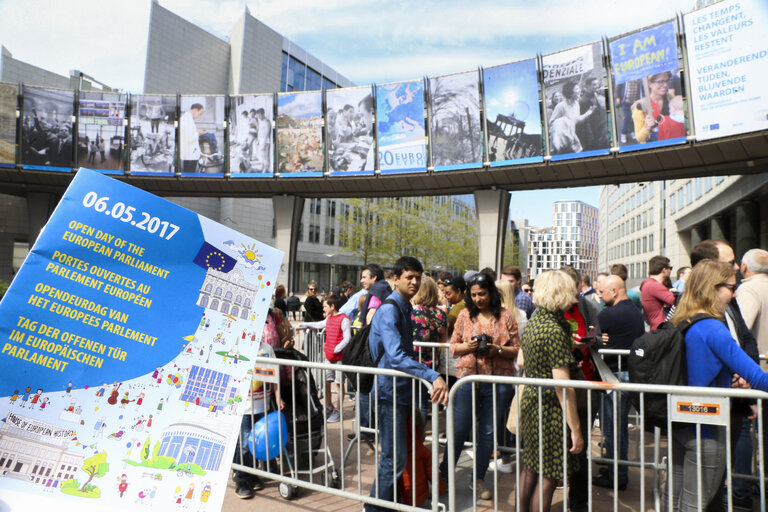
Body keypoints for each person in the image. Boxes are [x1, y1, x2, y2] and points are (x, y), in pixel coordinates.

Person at [665, 260, 768, 511]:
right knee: (696, 502)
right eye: (730, 288)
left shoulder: (681, 319)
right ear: (713, 287)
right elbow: (758, 377)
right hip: (707, 425)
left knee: (674, 498)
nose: (734, 294)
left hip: (680, 419)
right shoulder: (713, 327)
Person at [366, 256, 448, 511]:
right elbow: (396, 356)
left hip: (399, 391)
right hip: (388, 391)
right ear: (395, 279)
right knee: (393, 459)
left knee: (396, 457)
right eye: (409, 277)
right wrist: (431, 375)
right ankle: (374, 508)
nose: (414, 282)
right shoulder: (390, 309)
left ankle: (381, 505)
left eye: (418, 277)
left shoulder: (405, 307)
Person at [691, 239, 761, 510]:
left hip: (735, 397)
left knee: (717, 478)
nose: (736, 265)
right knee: (705, 484)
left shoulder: (729, 301)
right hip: (706, 408)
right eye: (729, 260)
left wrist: (747, 379)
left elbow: (746, 339)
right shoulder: (694, 314)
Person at [439, 273, 519, 500]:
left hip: (499, 382)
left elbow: (517, 349)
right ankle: (444, 474)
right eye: (473, 295)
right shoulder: (464, 315)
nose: (478, 299)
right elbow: (453, 346)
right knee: (458, 429)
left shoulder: (506, 316)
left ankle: (478, 477)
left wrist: (498, 350)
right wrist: (470, 346)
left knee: (488, 432)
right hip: (467, 380)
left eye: (481, 294)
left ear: (491, 292)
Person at [518, 270, 583, 512]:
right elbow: (563, 386)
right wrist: (576, 430)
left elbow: (522, 361)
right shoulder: (554, 330)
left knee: (531, 467)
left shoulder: (536, 322)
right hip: (551, 410)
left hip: (533, 401)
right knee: (549, 476)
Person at [594, 274, 645, 490]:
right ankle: (617, 468)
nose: (599, 296)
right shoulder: (635, 311)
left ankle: (617, 475)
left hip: (613, 377)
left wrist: (597, 337)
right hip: (626, 375)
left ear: (614, 291)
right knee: (619, 427)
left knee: (613, 429)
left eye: (602, 292)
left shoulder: (610, 314)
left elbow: (589, 335)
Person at [233, 335, 280, 499]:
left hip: (263, 405)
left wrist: (277, 396)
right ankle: (241, 478)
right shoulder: (238, 347)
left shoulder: (267, 349)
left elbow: (274, 376)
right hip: (244, 407)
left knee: (256, 441)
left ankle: (251, 474)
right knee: (244, 444)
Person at [297, 295, 350, 423]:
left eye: (325, 306)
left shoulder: (344, 319)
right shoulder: (329, 319)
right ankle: (329, 406)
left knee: (338, 383)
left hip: (339, 358)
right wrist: (304, 324)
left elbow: (347, 337)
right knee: (327, 381)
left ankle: (338, 410)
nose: (323, 309)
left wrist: (337, 348)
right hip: (329, 357)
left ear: (332, 307)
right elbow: (318, 324)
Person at [410, 275, 447, 419]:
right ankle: (420, 434)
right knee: (422, 401)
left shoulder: (412, 312)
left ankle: (416, 436)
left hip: (413, 361)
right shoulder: (441, 314)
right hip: (433, 362)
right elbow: (443, 340)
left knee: (414, 400)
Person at [633, 71, 685, 144]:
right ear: (649, 83)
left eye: (667, 80)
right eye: (661, 81)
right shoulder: (641, 106)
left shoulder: (670, 98)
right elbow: (639, 138)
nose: (665, 85)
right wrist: (647, 127)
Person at [548, 80, 595, 155]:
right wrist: (564, 123)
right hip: (561, 143)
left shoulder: (576, 104)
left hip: (572, 140)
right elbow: (552, 123)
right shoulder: (561, 106)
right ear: (570, 92)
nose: (579, 90)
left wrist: (588, 113)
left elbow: (576, 121)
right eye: (576, 89)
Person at [640, 255, 675, 330]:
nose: (671, 271)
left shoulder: (647, 283)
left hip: (655, 327)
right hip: (662, 328)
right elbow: (678, 302)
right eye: (670, 268)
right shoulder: (655, 286)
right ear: (664, 270)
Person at [576, 76, 608, 151]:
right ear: (587, 86)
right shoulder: (584, 101)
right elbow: (586, 121)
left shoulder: (594, 95)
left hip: (601, 129)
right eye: (594, 85)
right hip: (594, 133)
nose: (597, 86)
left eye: (597, 84)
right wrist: (592, 138)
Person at [180, 103, 204, 172]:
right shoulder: (188, 119)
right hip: (190, 155)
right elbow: (189, 139)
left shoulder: (186, 117)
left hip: (188, 154)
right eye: (200, 114)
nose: (198, 116)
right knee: (189, 174)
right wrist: (198, 133)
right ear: (196, 110)